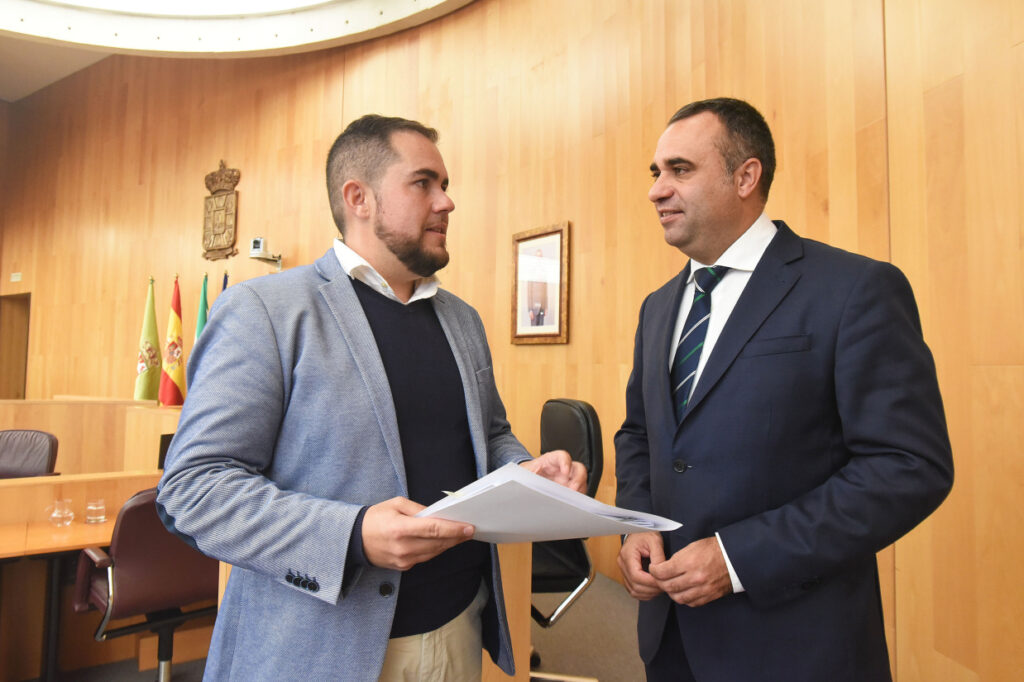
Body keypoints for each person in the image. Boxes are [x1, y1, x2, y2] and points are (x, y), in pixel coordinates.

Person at [157, 114, 585, 681]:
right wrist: (352, 534)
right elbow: (193, 488)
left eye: (446, 185)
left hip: (460, 628)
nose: (447, 202)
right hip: (321, 652)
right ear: (358, 197)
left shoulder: (462, 320)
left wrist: (524, 468)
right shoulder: (266, 312)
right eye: (424, 183)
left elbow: (490, 434)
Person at [614, 98, 953, 682]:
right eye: (656, 173)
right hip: (672, 643)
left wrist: (739, 558)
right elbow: (641, 434)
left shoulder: (854, 290)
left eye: (680, 170)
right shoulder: (658, 307)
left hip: (798, 647)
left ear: (746, 176)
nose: (657, 190)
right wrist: (637, 524)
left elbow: (908, 466)